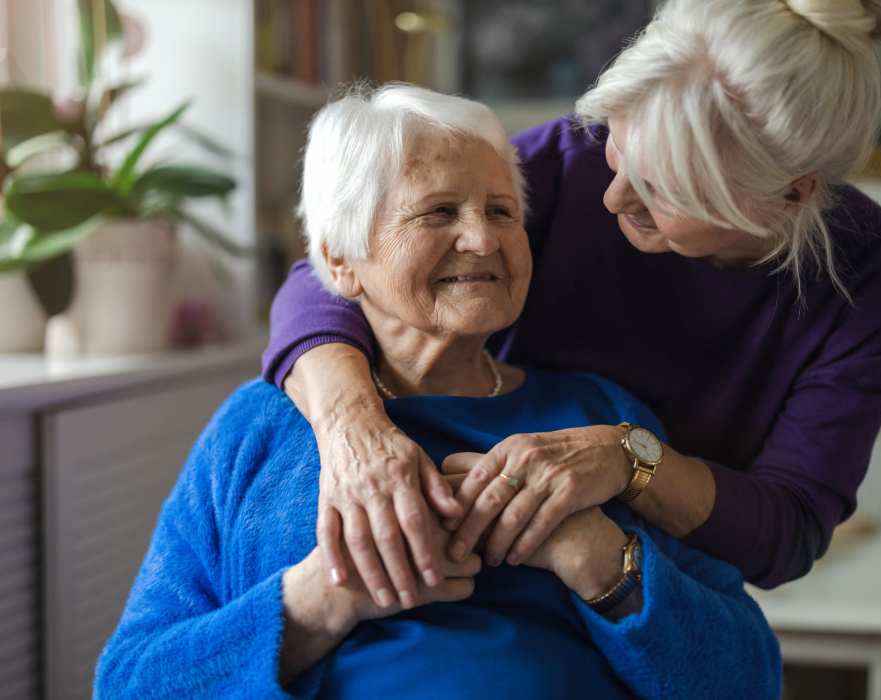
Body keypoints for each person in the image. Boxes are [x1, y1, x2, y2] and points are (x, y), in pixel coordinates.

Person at [94, 85, 781, 699]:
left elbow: (748, 677)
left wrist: (594, 554)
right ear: (339, 257)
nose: (482, 239)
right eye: (438, 212)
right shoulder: (258, 428)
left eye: (503, 211)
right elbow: (130, 683)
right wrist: (325, 598)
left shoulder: (601, 421)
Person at [262, 0, 881, 609]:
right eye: (617, 145)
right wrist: (355, 432)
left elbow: (789, 531)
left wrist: (631, 461)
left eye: (663, 189)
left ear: (792, 195)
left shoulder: (872, 280)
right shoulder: (568, 161)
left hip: (647, 587)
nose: (612, 199)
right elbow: (329, 272)